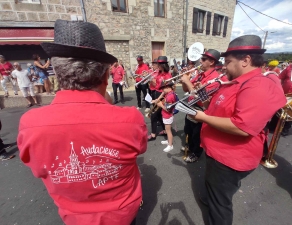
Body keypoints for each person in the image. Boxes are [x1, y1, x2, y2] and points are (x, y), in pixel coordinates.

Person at [18, 19, 147, 225]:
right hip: (122, 212)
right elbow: (139, 148)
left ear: (58, 75)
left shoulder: (30, 123)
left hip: (73, 215)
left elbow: (39, 169)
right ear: (106, 76)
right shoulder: (131, 118)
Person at [189, 35, 286, 225]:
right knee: (215, 189)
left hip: (229, 159)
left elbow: (242, 127)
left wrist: (202, 117)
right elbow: (221, 107)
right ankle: (211, 197)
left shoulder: (257, 85)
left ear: (246, 60)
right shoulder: (238, 81)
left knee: (221, 206)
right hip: (218, 153)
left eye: (228, 62)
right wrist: (204, 101)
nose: (224, 66)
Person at [180, 49, 221, 163]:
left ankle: (196, 153)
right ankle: (190, 147)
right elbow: (186, 90)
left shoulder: (215, 79)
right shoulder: (199, 74)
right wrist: (184, 79)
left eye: (203, 59)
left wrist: (188, 82)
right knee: (188, 130)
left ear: (212, 62)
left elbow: (201, 97)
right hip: (191, 106)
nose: (200, 61)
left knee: (197, 135)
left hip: (201, 109)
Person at [147, 56, 172, 141]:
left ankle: (153, 134)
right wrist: (150, 79)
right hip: (156, 93)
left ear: (163, 65)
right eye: (158, 64)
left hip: (163, 95)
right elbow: (156, 85)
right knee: (159, 115)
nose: (158, 65)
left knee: (154, 115)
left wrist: (159, 98)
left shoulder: (168, 75)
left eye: (159, 64)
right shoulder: (158, 73)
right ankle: (165, 130)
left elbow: (166, 90)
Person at [153, 80, 176, 152]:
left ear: (168, 87)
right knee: (166, 129)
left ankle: (170, 145)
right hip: (166, 115)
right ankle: (168, 140)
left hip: (168, 115)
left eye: (163, 88)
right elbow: (163, 95)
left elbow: (168, 110)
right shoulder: (169, 94)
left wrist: (160, 105)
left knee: (168, 131)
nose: (162, 90)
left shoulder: (170, 97)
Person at [278, 61, 292, 136]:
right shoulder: (291, 67)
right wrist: (278, 88)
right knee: (278, 110)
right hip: (284, 93)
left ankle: (285, 129)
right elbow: (280, 77)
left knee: (291, 112)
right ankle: (273, 126)